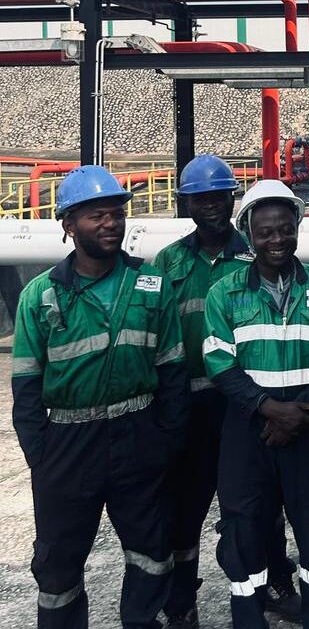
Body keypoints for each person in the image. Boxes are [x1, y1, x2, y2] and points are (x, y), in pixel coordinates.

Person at [11, 165, 188, 629]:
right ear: (69, 225)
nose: (111, 224)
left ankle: (142, 621)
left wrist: (166, 440)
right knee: (58, 560)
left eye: (116, 214)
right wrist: (41, 456)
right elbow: (26, 387)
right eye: (97, 216)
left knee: (151, 549)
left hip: (138, 434)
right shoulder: (41, 296)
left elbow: (172, 369)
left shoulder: (151, 283)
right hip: (68, 444)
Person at [156, 155, 300, 627]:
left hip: (249, 403)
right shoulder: (169, 263)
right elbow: (160, 338)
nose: (211, 206)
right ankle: (181, 602)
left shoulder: (256, 252)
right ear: (187, 203)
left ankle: (277, 585)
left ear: (232, 199)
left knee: (262, 504)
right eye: (201, 199)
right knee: (186, 509)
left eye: (219, 197)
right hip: (191, 407)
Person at [202, 179, 309, 629]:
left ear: (297, 228)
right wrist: (270, 408)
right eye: (265, 232)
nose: (277, 240)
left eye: (286, 229)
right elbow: (218, 361)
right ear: (248, 234)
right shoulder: (224, 293)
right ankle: (250, 620)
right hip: (250, 433)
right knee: (245, 530)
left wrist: (299, 412)